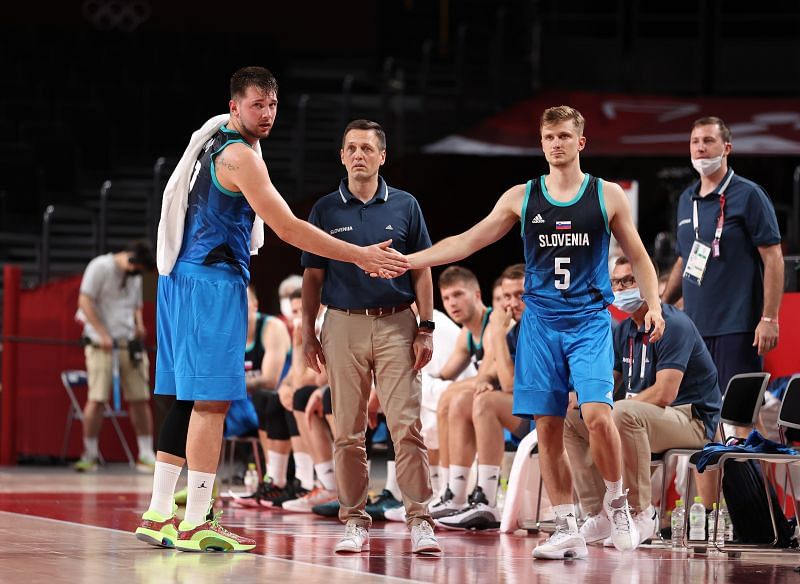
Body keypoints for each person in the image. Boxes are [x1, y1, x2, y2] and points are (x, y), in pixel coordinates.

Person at [134, 67, 407, 553]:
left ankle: (159, 513)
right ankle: (196, 521)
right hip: (210, 281)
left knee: (184, 398)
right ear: (234, 105)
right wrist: (360, 254)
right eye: (257, 105)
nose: (267, 115)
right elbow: (287, 228)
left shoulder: (213, 138)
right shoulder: (240, 155)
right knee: (212, 402)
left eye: (273, 105)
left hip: (179, 276)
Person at [407, 105, 665, 560]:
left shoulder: (606, 195)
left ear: (580, 142)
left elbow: (640, 256)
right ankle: (566, 524)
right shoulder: (521, 197)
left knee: (597, 416)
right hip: (540, 323)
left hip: (588, 320)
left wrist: (655, 305)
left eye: (565, 136)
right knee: (547, 425)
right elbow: (469, 240)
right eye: (549, 137)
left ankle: (618, 504)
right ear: (541, 142)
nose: (556, 144)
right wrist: (413, 260)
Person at [301, 119, 441, 554]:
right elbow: (312, 275)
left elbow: (422, 268)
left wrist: (426, 325)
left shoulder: (405, 205)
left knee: (406, 426)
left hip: (399, 320)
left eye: (367, 148)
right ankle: (355, 520)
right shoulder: (325, 209)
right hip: (342, 322)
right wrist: (308, 331)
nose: (358, 155)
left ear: (383, 156)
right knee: (347, 430)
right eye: (351, 148)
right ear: (342, 156)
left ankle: (420, 518)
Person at [565, 256, 722, 546]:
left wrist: (610, 408)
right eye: (615, 282)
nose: (621, 288)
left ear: (649, 283)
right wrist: (585, 397)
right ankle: (598, 513)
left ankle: (642, 512)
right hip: (639, 418)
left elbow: (665, 393)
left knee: (621, 412)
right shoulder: (622, 330)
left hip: (690, 419)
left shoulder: (673, 324)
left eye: (629, 281)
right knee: (574, 418)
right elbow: (606, 380)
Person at [662, 116, 783, 393]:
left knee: (736, 416)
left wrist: (769, 319)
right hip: (693, 329)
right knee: (698, 415)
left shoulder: (749, 194)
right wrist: (661, 307)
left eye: (708, 140)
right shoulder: (686, 199)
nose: (700, 147)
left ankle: (754, 440)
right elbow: (684, 257)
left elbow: (773, 257)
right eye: (695, 142)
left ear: (727, 147)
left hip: (737, 327)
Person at [437, 264, 529, 531]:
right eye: (506, 297)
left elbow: (511, 385)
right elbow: (487, 375)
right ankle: (454, 493)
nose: (510, 304)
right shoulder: (513, 330)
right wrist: (487, 382)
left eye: (518, 295)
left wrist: (498, 334)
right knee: (462, 401)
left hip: (545, 414)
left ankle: (486, 498)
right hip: (523, 409)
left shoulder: (515, 328)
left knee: (481, 402)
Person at [74, 240, 157, 472]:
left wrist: (139, 325)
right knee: (97, 397)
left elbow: (136, 306)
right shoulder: (100, 267)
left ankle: (146, 453)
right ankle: (89, 453)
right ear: (131, 259)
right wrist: (102, 333)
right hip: (101, 342)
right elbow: (84, 301)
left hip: (128, 342)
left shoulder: (135, 276)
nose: (137, 274)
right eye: (137, 268)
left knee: (140, 398)